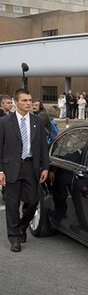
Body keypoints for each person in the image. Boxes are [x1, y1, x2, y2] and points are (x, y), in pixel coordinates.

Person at [0, 88, 49, 252]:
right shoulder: (5, 123)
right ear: (16, 102)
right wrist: (0, 171)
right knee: (12, 205)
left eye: (30, 100)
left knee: (33, 201)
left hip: (31, 166)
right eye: (25, 100)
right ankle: (14, 238)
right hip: (11, 167)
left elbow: (43, 146)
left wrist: (45, 168)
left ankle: (21, 227)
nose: (29, 103)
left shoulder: (37, 121)